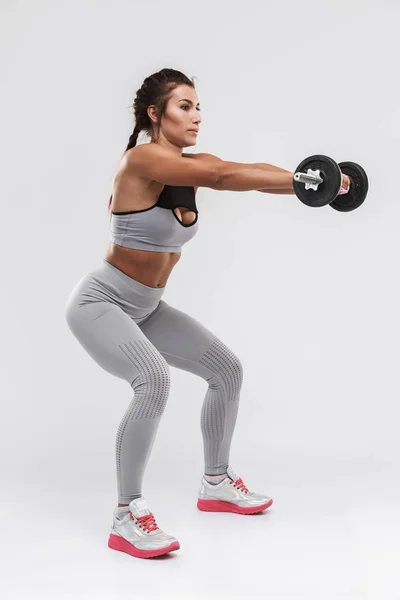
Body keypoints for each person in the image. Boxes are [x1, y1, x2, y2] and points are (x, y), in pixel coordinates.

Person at [65, 68, 350, 560]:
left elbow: (242, 173)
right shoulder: (143, 158)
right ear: (155, 114)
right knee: (152, 380)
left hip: (147, 307)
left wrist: (317, 187)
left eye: (198, 107)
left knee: (226, 370)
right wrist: (306, 179)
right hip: (102, 303)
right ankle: (125, 515)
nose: (196, 116)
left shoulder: (188, 165)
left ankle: (215, 482)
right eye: (184, 106)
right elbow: (222, 177)